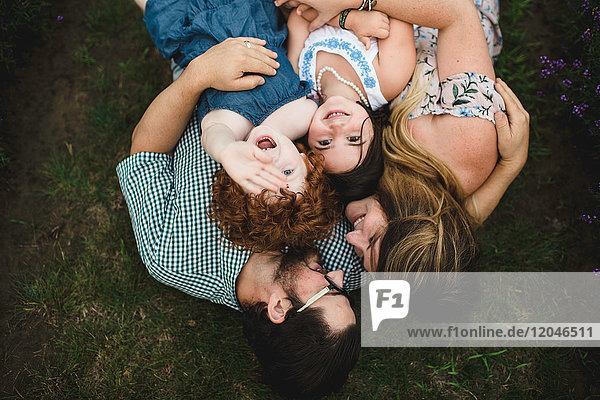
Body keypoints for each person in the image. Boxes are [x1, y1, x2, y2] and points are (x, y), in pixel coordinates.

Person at [118, 7, 364, 399]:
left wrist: (200, 73)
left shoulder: (170, 256)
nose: (338, 278)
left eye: (329, 292)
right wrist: (502, 168)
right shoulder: (344, 257)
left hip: (192, 37)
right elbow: (444, 275)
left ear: (279, 308)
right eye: (342, 291)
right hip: (271, 31)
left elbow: (144, 151)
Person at [289, 0, 529, 273]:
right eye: (372, 240)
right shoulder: (463, 141)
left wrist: (511, 167)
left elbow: (454, 227)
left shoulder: (403, 195)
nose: (351, 238)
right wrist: (354, 3)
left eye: (360, 252)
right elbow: (458, 14)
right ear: (409, 220)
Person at [141, 0, 341, 252]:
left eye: (260, 178)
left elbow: (215, 134)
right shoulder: (304, 113)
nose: (270, 161)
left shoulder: (233, 124)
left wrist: (227, 152)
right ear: (307, 162)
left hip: (188, 17)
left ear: (237, 180)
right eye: (288, 172)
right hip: (251, 9)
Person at [276, 0, 417, 202]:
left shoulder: (300, 80)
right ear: (375, 134)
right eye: (353, 138)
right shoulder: (389, 78)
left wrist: (349, 20)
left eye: (325, 142)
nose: (337, 128)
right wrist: (348, 17)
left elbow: (298, 17)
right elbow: (400, 9)